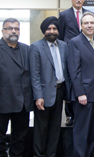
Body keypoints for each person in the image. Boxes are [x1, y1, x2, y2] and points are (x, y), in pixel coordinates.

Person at [0, 18, 33, 156]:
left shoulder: (27, 49)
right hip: (0, 102)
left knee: (20, 138)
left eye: (16, 28)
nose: (13, 31)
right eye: (9, 28)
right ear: (2, 31)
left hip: (22, 103)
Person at [29, 16, 70, 156]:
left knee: (55, 128)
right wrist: (38, 96)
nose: (52, 31)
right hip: (43, 94)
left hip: (59, 91)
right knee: (41, 129)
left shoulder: (64, 45)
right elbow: (34, 74)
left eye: (54, 28)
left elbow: (66, 70)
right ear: (44, 31)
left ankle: (51, 154)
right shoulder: (35, 47)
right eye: (49, 29)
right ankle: (38, 155)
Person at [68, 12, 94, 157]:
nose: (89, 25)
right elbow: (74, 71)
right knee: (81, 130)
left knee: (92, 129)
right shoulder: (75, 42)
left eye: (92, 23)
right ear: (81, 26)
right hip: (84, 94)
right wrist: (80, 93)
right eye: (86, 23)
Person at [58, 0, 93, 126]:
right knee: (70, 82)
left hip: (85, 53)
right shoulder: (64, 15)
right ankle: (69, 115)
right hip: (70, 53)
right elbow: (61, 36)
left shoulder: (89, 14)